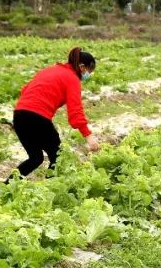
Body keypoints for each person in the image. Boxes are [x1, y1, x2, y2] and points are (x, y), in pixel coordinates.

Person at [10, 47, 101, 178]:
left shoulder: (50, 70)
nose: (89, 75)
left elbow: (25, 90)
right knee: (58, 157)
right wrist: (88, 136)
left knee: (36, 158)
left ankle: (2, 190)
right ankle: (50, 190)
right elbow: (75, 111)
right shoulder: (72, 79)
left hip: (19, 115)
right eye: (89, 71)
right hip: (37, 118)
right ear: (82, 67)